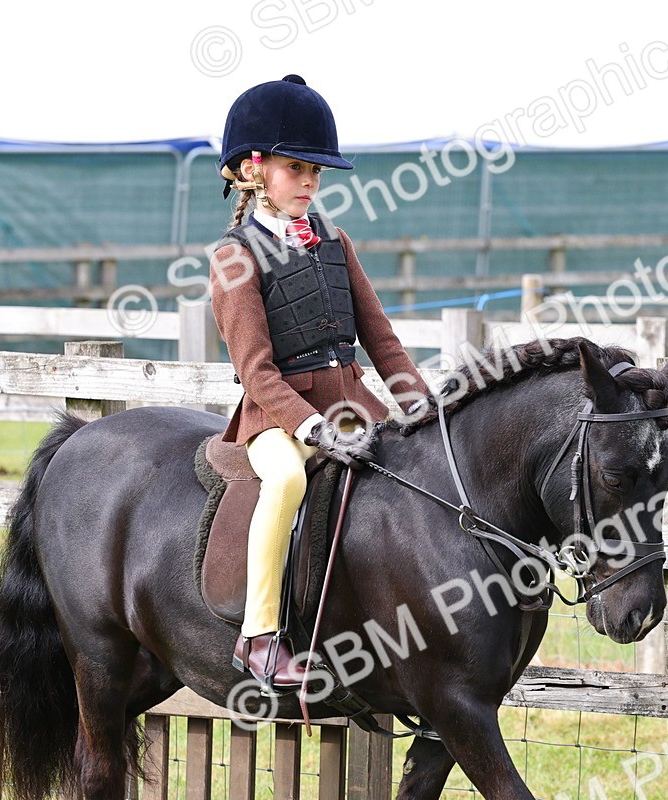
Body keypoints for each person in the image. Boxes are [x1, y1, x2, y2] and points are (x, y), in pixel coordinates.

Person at [209, 74, 431, 695]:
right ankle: (258, 635)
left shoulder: (335, 241)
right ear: (255, 171)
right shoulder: (235, 258)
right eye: (297, 167)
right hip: (278, 417)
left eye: (317, 172)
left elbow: (380, 338)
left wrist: (418, 404)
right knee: (284, 479)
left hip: (353, 405)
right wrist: (310, 425)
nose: (310, 181)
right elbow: (255, 370)